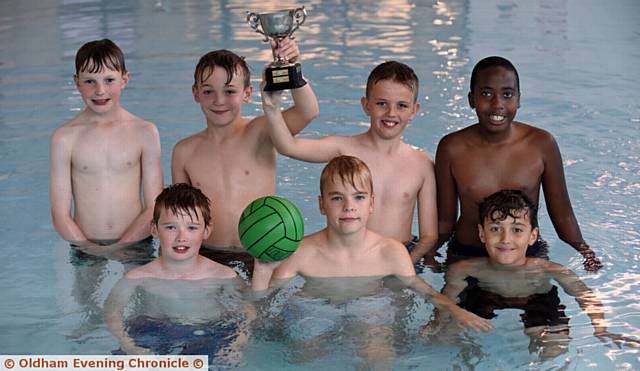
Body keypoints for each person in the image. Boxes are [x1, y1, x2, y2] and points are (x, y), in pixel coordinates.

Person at [252, 156, 493, 367]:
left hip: (370, 308)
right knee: (302, 354)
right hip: (315, 308)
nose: (349, 207)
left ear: (372, 204)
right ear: (321, 205)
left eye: (358, 197)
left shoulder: (391, 252)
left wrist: (456, 310)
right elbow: (262, 304)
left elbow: (426, 292)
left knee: (379, 356)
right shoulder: (301, 252)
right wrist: (262, 269)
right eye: (337, 198)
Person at [434, 56, 602, 271]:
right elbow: (445, 221)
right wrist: (430, 255)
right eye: (486, 93)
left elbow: (563, 213)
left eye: (507, 94)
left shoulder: (541, 144)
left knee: (546, 305)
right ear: (471, 99)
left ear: (518, 99)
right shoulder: (452, 148)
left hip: (526, 254)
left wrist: (585, 252)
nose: (497, 104)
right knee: (454, 306)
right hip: (468, 254)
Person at [261, 61, 437, 265]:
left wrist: (404, 266)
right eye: (382, 103)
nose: (391, 113)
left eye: (402, 105)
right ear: (366, 105)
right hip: (346, 256)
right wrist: (271, 107)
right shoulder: (344, 148)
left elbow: (429, 236)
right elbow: (288, 147)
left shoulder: (422, 165)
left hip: (401, 256)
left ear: (414, 110)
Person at [427, 190, 637, 358]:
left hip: (537, 300)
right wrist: (436, 323)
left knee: (557, 346)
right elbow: (447, 300)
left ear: (532, 236)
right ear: (482, 233)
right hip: (486, 296)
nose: (505, 239)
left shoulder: (550, 269)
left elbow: (584, 294)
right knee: (442, 337)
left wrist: (600, 328)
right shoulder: (465, 269)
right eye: (495, 229)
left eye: (517, 230)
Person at [171, 39, 319, 276]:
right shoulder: (184, 151)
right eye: (208, 91)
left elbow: (308, 111)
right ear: (195, 93)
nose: (219, 101)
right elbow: (177, 213)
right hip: (206, 255)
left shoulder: (261, 131)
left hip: (262, 251)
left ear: (248, 93)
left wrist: (292, 67)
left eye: (230, 91)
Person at [104, 183, 250, 356]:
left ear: (206, 230)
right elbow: (112, 311)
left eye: (192, 228)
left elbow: (249, 310)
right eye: (171, 227)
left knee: (227, 359)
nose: (181, 237)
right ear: (154, 229)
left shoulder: (223, 275)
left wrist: (238, 340)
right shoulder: (138, 277)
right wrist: (128, 344)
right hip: (155, 330)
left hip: (209, 332)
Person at [50, 39, 163, 258]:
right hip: (84, 243)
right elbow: (60, 214)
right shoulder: (64, 138)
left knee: (140, 293)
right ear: (77, 82)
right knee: (83, 294)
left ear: (124, 79)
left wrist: (121, 246)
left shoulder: (145, 132)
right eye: (90, 81)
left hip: (137, 240)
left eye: (109, 80)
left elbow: (154, 206)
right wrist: (89, 248)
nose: (100, 90)